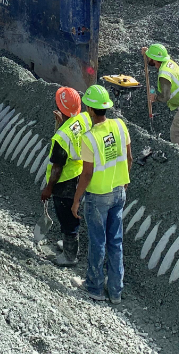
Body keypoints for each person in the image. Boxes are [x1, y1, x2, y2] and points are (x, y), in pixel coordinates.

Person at [72, 84, 132, 303]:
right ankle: (116, 291)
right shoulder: (120, 126)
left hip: (98, 196)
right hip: (119, 192)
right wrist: (123, 182)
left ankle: (94, 287)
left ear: (89, 108)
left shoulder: (89, 138)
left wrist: (76, 200)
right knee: (116, 241)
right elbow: (129, 158)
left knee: (98, 242)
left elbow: (86, 175)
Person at [40, 87, 92, 266]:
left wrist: (48, 188)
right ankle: (69, 246)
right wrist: (63, 122)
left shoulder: (62, 137)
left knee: (67, 217)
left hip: (65, 181)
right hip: (79, 173)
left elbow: (57, 167)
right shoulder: (84, 118)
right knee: (71, 213)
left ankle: (70, 256)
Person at [142, 43, 179, 148]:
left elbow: (165, 97)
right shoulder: (168, 62)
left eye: (149, 57)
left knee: (176, 135)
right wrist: (147, 53)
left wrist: (155, 98)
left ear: (154, 59)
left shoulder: (164, 75)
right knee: (177, 132)